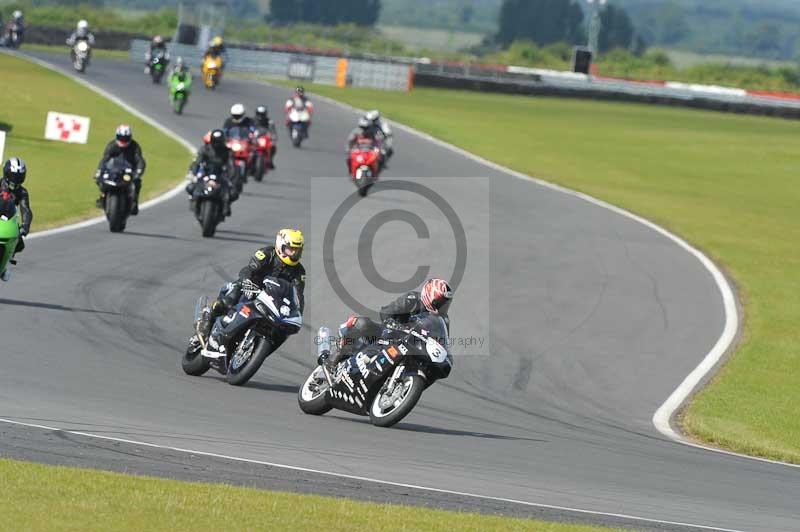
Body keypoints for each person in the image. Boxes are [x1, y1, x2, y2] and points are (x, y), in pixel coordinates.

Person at [196, 229, 306, 356]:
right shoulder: (267, 253)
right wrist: (247, 281)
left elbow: (298, 294)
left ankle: (252, 350)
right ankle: (208, 321)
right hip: (250, 287)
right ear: (280, 245)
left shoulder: (299, 271)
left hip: (271, 301)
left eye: (297, 251)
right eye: (290, 249)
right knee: (228, 300)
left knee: (283, 330)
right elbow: (248, 270)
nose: (294, 253)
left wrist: (298, 313)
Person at [329, 278, 453, 365]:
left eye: (445, 303)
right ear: (429, 296)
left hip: (413, 348)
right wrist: (393, 323)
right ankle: (336, 357)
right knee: (362, 324)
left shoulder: (443, 320)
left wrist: (446, 356)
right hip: (389, 335)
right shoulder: (412, 299)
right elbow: (387, 312)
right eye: (440, 302)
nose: (443, 307)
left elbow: (442, 342)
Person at [95, 125, 146, 215]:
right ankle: (102, 196)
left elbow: (140, 160)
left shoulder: (135, 146)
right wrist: (99, 171)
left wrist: (138, 171)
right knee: (100, 180)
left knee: (137, 182)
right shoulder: (112, 146)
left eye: (125, 138)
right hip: (114, 170)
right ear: (117, 136)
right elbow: (105, 159)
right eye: (121, 138)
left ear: (130, 137)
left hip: (128, 171)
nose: (123, 140)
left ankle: (134, 202)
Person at [186, 128, 233, 216]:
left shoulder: (227, 151)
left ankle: (226, 208)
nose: (217, 144)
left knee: (232, 192)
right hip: (205, 173)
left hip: (220, 174)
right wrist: (193, 172)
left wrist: (232, 176)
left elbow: (231, 165)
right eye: (215, 142)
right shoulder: (205, 149)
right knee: (191, 187)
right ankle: (195, 202)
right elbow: (197, 162)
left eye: (219, 142)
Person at [0, 157, 32, 274]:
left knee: (19, 245)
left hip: (9, 221)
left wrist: (25, 227)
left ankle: (5, 261)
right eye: (13, 176)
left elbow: (26, 210)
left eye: (19, 176)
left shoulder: (22, 192)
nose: (16, 179)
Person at [254, 105, 277, 169]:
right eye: (259, 114)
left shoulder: (270, 122)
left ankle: (270, 160)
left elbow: (273, 132)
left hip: (265, 138)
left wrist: (273, 137)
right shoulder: (252, 121)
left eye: (262, 114)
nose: (260, 116)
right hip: (255, 138)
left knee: (273, 146)